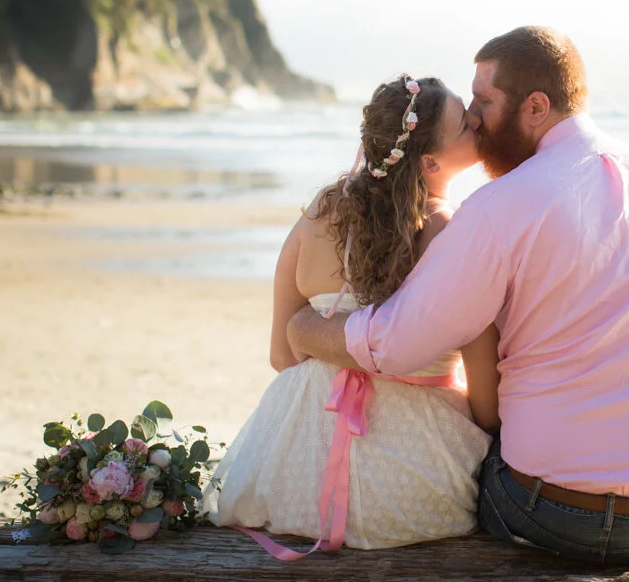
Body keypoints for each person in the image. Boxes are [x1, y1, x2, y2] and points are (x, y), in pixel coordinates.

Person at [288, 26, 629, 565]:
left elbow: (395, 344)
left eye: (484, 102)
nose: (475, 119)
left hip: (550, 511)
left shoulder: (499, 207)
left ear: (535, 106)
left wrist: (305, 329)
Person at [204, 75, 499, 556]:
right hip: (412, 487)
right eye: (467, 124)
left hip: (291, 480)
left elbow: (282, 355)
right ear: (429, 162)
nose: (479, 124)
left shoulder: (320, 211)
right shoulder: (446, 233)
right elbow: (486, 394)